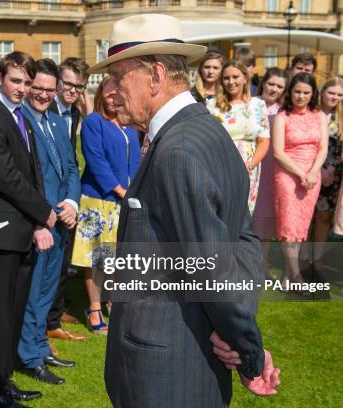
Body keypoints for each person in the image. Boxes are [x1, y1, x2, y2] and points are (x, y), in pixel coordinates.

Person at [90, 14, 280, 407]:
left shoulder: (178, 150)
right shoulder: (207, 132)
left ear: (155, 75)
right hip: (184, 358)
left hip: (167, 368)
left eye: (118, 77)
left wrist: (247, 352)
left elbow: (214, 264)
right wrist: (237, 336)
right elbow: (240, 243)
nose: (110, 90)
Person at [0, 51, 56, 407]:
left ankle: (4, 382)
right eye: (16, 81)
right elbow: (6, 176)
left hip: (23, 230)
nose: (22, 88)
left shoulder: (21, 116)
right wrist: (43, 210)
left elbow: (33, 171)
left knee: (14, 313)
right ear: (0, 79)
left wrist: (39, 219)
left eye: (26, 82)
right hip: (4, 233)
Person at [18, 58, 81, 385]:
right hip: (39, 222)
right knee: (34, 292)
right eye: (37, 88)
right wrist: (40, 217)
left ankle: (42, 347)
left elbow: (71, 167)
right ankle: (29, 356)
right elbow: (24, 179)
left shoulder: (58, 121)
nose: (43, 95)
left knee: (47, 291)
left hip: (62, 221)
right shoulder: (21, 121)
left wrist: (71, 202)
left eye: (48, 89)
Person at [70, 76, 140, 335]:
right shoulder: (93, 122)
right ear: (101, 95)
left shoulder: (128, 125)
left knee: (116, 259)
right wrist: (121, 190)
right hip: (99, 200)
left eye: (118, 94)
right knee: (97, 260)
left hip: (123, 202)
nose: (114, 98)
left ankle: (113, 302)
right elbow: (96, 161)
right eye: (109, 94)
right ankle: (94, 309)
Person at [46, 57, 92, 341]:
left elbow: (73, 158)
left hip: (67, 193)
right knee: (49, 262)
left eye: (79, 86)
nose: (72, 90)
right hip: (48, 195)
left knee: (63, 259)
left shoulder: (73, 112)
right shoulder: (43, 107)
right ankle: (47, 321)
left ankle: (56, 311)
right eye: (67, 84)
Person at [272, 73, 328, 290]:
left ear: (313, 93)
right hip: (287, 175)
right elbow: (278, 152)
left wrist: (313, 172)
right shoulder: (282, 117)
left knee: (301, 227)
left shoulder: (319, 115)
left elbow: (322, 147)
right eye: (297, 91)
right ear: (290, 92)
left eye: (306, 92)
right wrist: (300, 173)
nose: (301, 96)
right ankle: (297, 277)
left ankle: (286, 277)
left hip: (312, 176)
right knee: (289, 227)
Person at [207, 60, 270, 215]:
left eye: (235, 77)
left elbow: (263, 140)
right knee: (221, 211)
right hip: (220, 164)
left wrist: (251, 164)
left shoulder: (257, 105)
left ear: (245, 78)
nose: (231, 82)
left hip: (248, 164)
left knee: (244, 214)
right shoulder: (212, 105)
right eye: (226, 78)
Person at [252, 67, 288, 278]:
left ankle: (263, 265)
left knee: (265, 218)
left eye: (279, 86)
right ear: (264, 82)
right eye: (271, 83)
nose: (274, 88)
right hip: (251, 163)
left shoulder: (282, 111)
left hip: (272, 167)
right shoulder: (251, 105)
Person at [312, 77, 343, 276]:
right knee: (306, 218)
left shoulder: (341, 117)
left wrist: (331, 170)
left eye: (339, 94)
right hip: (310, 169)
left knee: (323, 218)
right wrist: (318, 170)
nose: (335, 97)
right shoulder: (312, 113)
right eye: (331, 92)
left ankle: (317, 261)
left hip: (334, 175)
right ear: (323, 92)